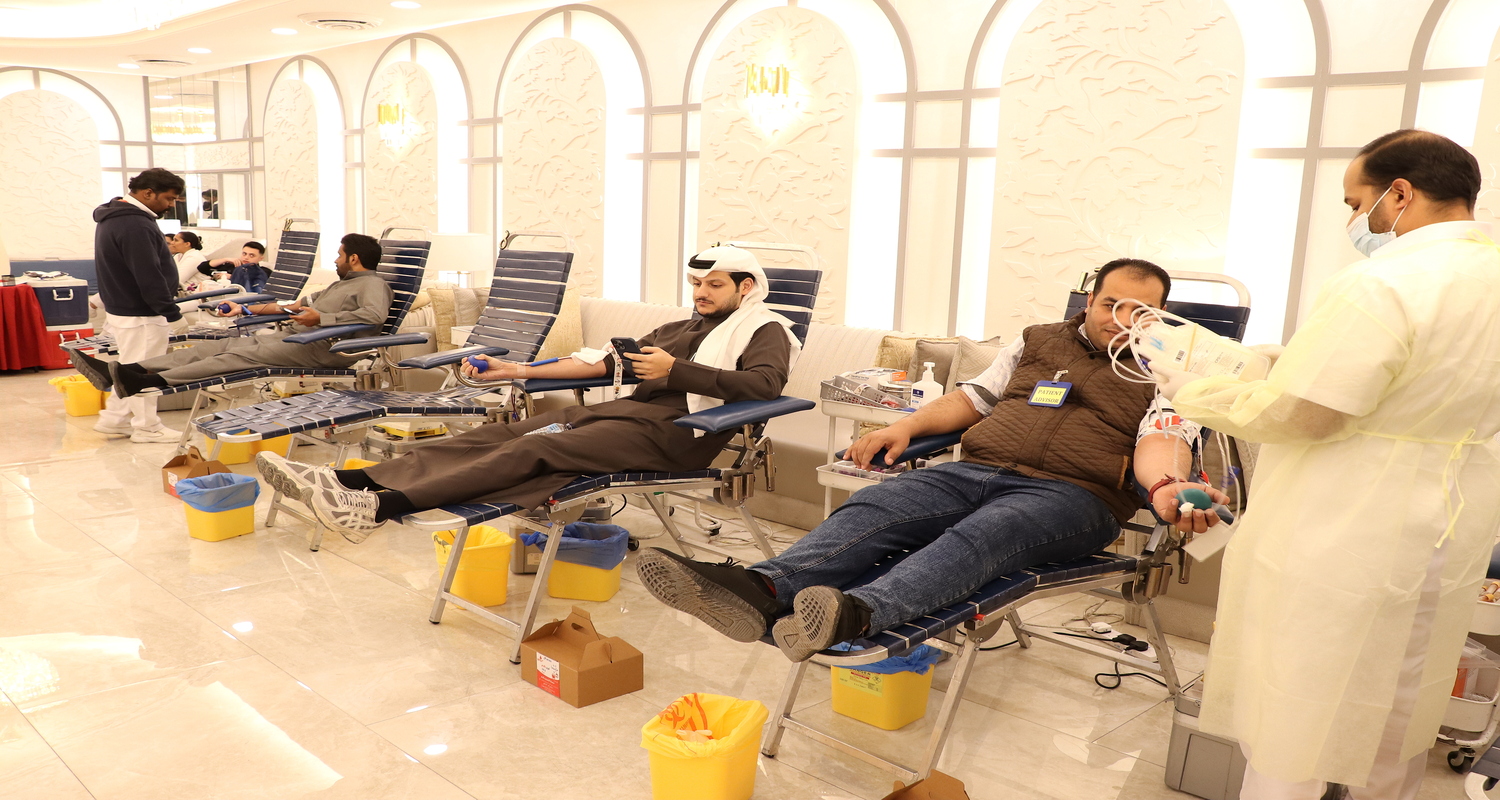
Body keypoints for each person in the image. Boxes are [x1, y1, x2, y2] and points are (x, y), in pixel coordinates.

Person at [638, 258, 1228, 661]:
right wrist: (903, 426)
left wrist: (1165, 487)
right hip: (977, 470)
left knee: (990, 533)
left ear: (1158, 316)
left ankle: (856, 614)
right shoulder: (1038, 339)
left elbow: (1162, 438)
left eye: (1139, 311)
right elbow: (973, 398)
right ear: (1090, 300)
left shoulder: (1171, 367)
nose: (1121, 319)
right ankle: (763, 589)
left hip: (1074, 497)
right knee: (880, 504)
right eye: (1110, 303)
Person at [1146, 130, 1500, 800]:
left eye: (1356, 203)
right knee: (1399, 696)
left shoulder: (1383, 281)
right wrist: (1275, 363)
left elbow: (1309, 413)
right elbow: (1408, 379)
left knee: (1300, 698)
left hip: (1350, 517)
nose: (1355, 221)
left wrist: (1195, 391)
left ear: (1400, 193)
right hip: (1450, 518)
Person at [255, 245, 800, 543]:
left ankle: (378, 508)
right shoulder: (680, 328)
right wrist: (513, 368)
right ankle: (351, 481)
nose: (701, 293)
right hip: (624, 419)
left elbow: (763, 386)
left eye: (714, 286)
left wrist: (677, 371)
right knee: (500, 433)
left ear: (745, 287)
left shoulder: (765, 329)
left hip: (678, 438)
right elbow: (600, 362)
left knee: (536, 448)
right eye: (697, 285)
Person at [69, 233, 391, 397]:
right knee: (215, 346)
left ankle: (146, 382)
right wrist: (245, 308)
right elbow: (292, 306)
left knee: (236, 356)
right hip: (297, 338)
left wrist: (322, 320)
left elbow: (374, 316)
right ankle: (127, 370)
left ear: (354, 258)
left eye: (339, 255)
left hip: (325, 349)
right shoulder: (339, 284)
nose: (335, 260)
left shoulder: (373, 285)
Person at [76, 167, 185, 444]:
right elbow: (148, 275)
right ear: (148, 193)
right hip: (142, 313)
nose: (170, 205)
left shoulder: (114, 216)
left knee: (129, 368)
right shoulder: (135, 224)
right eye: (169, 198)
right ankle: (148, 427)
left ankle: (114, 419)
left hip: (125, 309)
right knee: (144, 370)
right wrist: (172, 313)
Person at [202, 241, 270, 294]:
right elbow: (202, 268)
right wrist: (225, 259)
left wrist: (231, 277)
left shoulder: (264, 271)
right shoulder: (231, 266)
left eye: (251, 255)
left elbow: (253, 279)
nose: (246, 257)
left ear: (261, 258)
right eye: (244, 254)